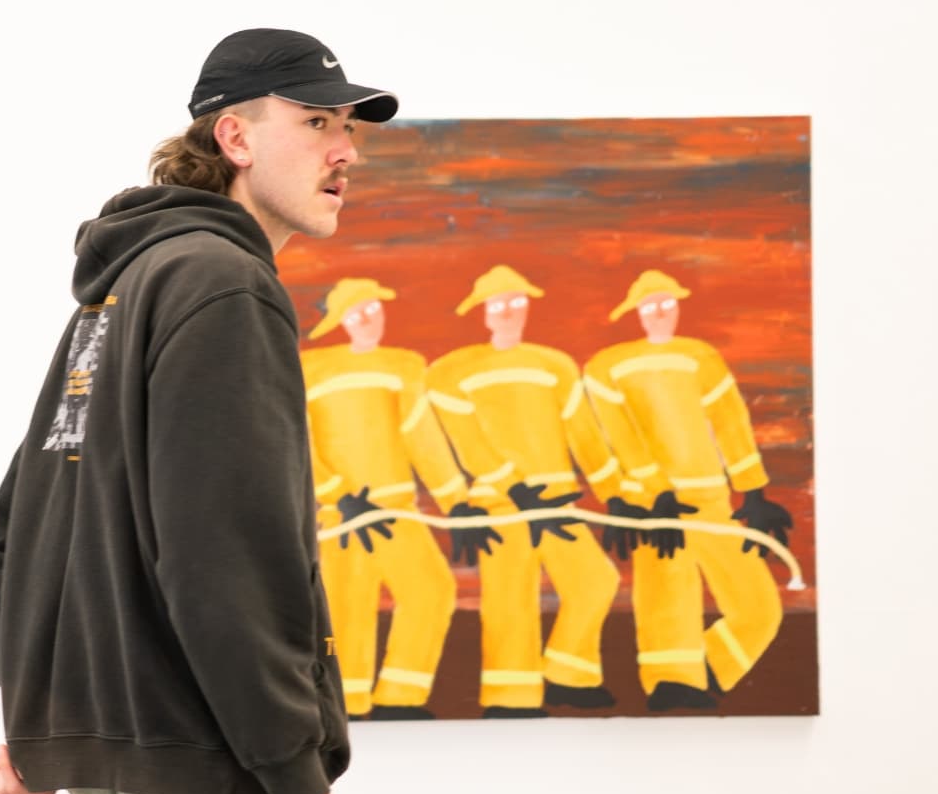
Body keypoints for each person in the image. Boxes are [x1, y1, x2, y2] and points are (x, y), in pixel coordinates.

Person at [0, 29, 397, 794]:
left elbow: (23, 528)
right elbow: (222, 563)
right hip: (208, 777)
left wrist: (40, 722)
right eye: (318, 120)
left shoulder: (124, 287)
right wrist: (299, 787)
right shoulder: (221, 288)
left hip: (128, 784)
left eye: (351, 128)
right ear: (236, 138)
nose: (347, 150)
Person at [583, 270, 794, 710]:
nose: (660, 314)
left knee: (758, 608)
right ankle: (671, 686)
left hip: (710, 500)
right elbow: (619, 433)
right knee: (665, 594)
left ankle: (712, 670)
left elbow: (731, 420)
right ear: (636, 313)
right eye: (650, 307)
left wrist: (753, 491)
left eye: (667, 304)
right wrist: (652, 492)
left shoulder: (702, 357)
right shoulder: (605, 367)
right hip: (651, 506)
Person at [426, 265, 624, 716]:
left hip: (558, 505)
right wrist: (516, 490)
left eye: (517, 302)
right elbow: (468, 442)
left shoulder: (555, 365)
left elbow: (584, 435)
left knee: (595, 580)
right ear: (484, 313)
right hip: (502, 506)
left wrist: (617, 492)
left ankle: (567, 675)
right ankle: (509, 699)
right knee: (510, 597)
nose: (509, 311)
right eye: (499, 304)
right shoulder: (452, 372)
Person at [302, 277, 470, 720]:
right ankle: (348, 707)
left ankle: (401, 697)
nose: (368, 320)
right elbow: (300, 440)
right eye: (358, 313)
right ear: (342, 321)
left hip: (397, 512)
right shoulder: (310, 370)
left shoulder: (405, 365)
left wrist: (458, 500)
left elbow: (422, 436)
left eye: (374, 309)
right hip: (344, 516)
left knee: (431, 590)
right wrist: (336, 494)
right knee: (347, 606)